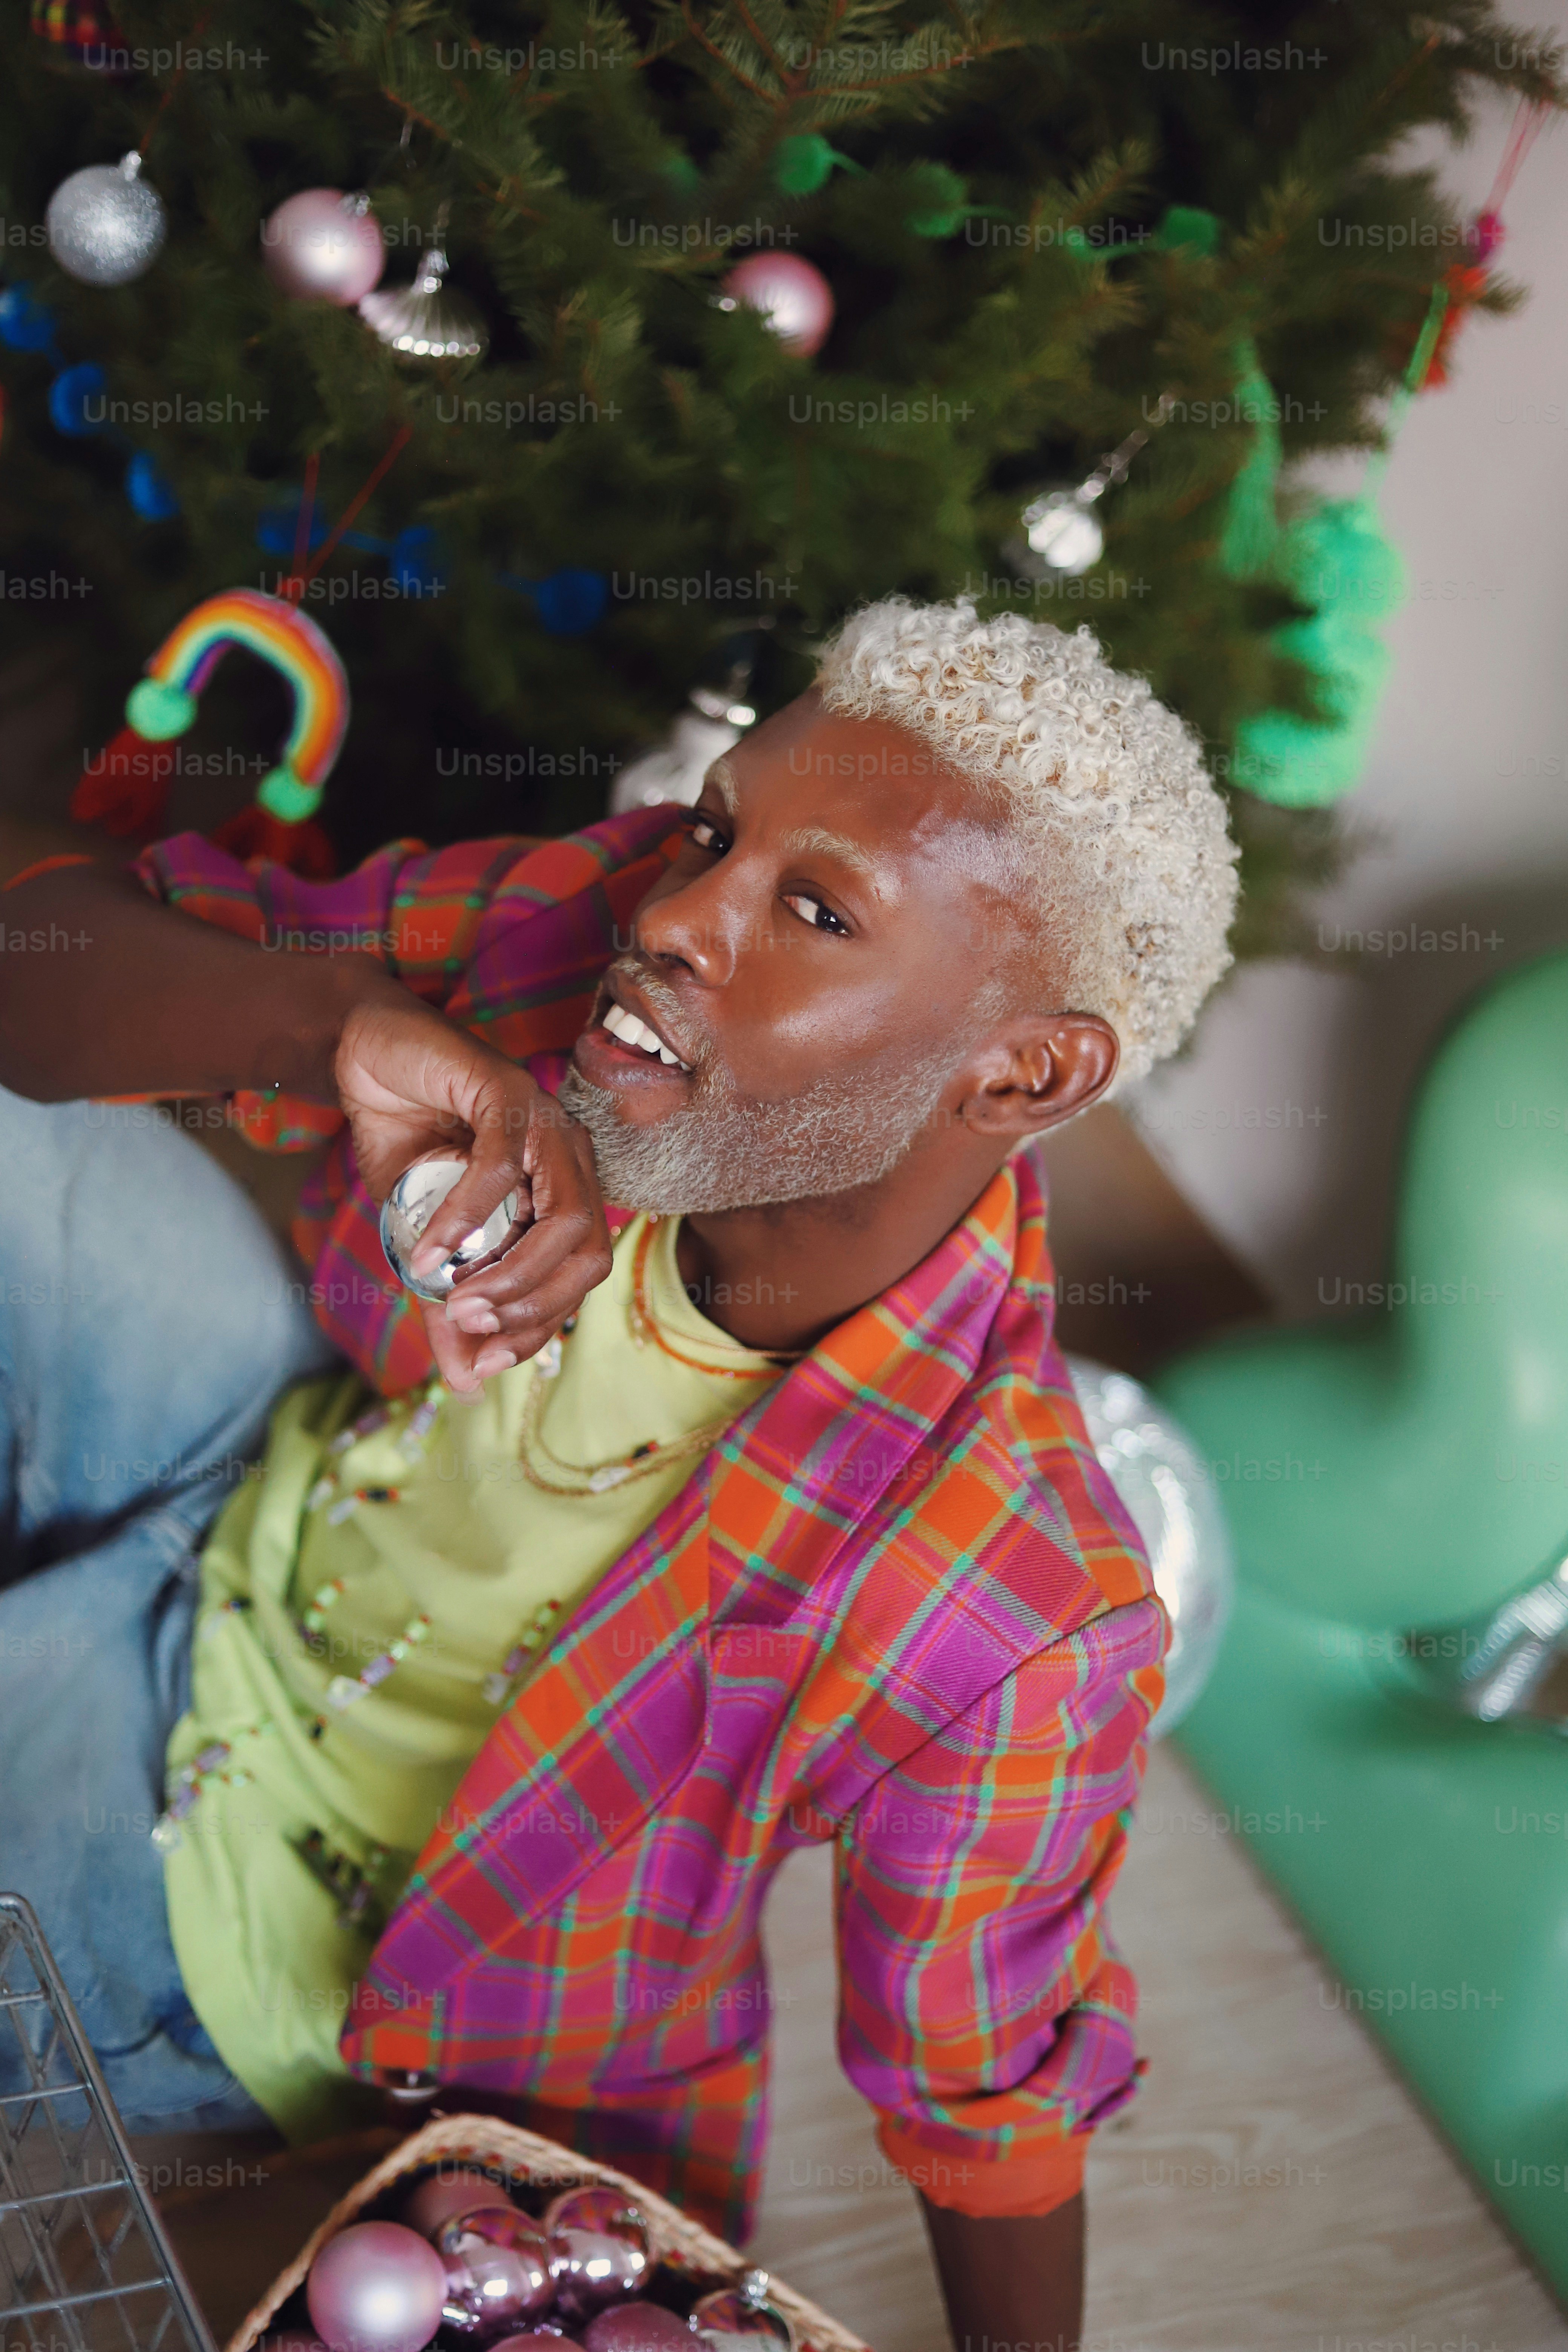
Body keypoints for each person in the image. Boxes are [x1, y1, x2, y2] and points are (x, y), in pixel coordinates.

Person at [0, 598, 1236, 2349]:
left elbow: (986, 2103)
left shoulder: (1013, 1609)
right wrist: (326, 1023)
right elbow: (38, 936)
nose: (675, 915)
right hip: (248, 1479)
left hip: (258, 1902)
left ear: (1025, 1067)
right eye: (716, 834)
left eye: (816, 912)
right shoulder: (597, 928)